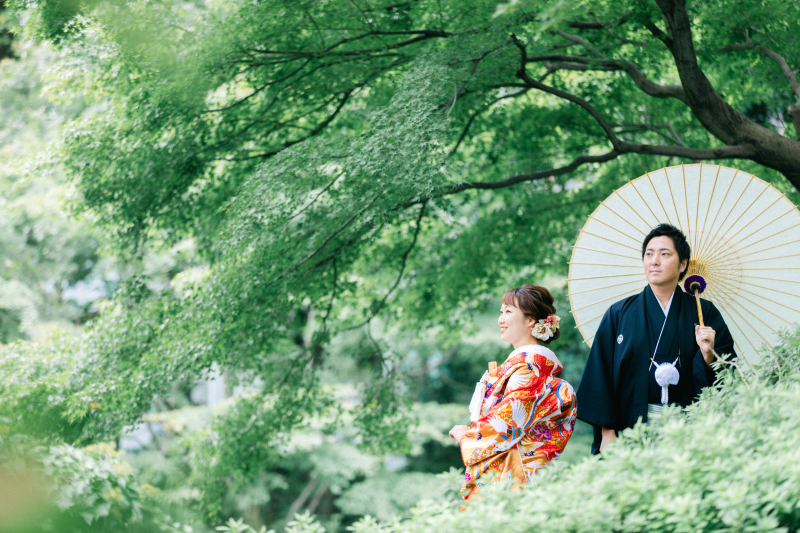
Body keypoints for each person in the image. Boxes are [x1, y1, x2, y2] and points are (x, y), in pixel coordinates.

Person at [576, 223, 736, 454]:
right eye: (649, 254)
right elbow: (600, 373)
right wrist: (607, 432)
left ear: (683, 264)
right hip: (630, 426)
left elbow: (728, 374)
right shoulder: (619, 313)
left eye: (665, 254)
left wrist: (708, 355)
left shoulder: (704, 313)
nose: (654, 261)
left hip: (689, 425)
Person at [449, 285, 577, 500]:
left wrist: (467, 436)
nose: (501, 319)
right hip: (519, 471)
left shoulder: (529, 368)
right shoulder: (527, 366)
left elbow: (507, 422)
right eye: (501, 312)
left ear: (530, 320)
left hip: (513, 475)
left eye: (508, 311)